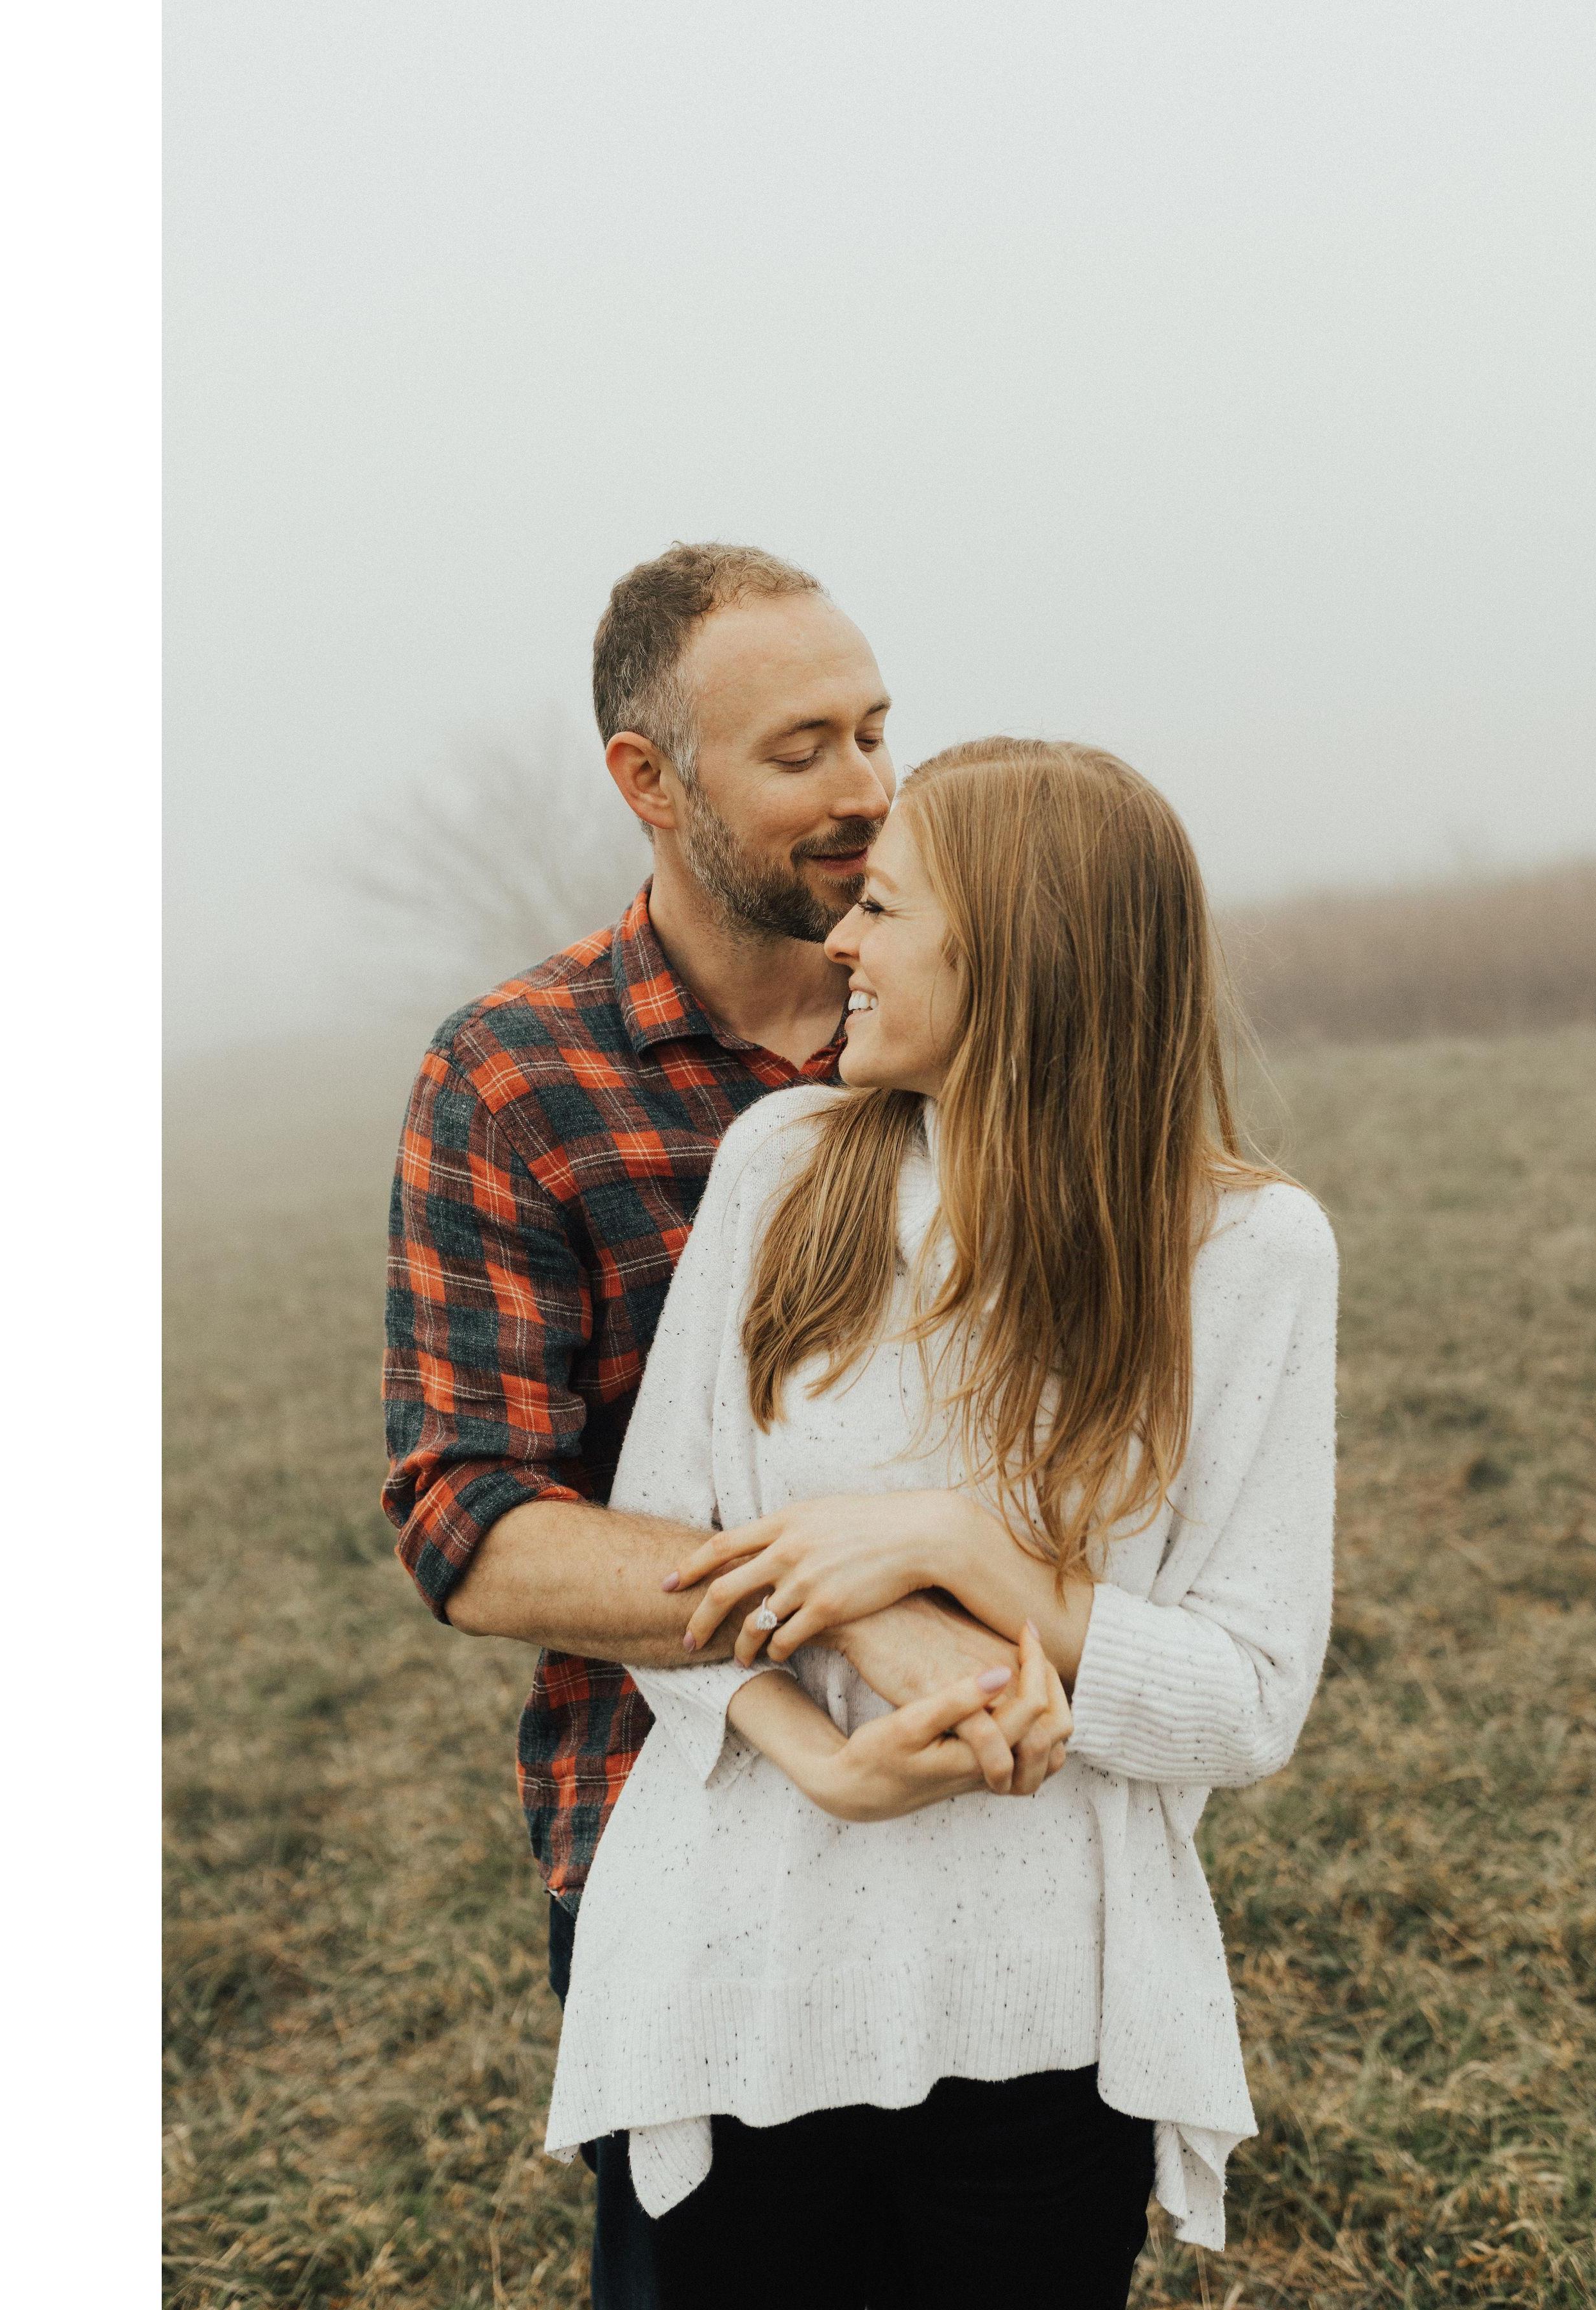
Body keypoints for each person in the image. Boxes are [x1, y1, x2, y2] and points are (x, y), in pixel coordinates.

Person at [544, 739, 1340, 2307]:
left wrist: (961, 1551)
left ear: (1026, 961)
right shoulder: (786, 1170)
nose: (839, 941)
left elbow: (1249, 1699)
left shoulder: (1252, 1252)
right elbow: (660, 1549)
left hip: (1050, 2014)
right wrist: (825, 1757)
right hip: (747, 1972)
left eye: (888, 911)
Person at [381, 545, 1068, 2308]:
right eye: (799, 753)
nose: (864, 790)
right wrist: (857, 1602)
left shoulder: (990, 1029)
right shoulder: (521, 1078)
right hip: (685, 1847)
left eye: (875, 731)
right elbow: (473, 1523)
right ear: (648, 782)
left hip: (1006, 1823)